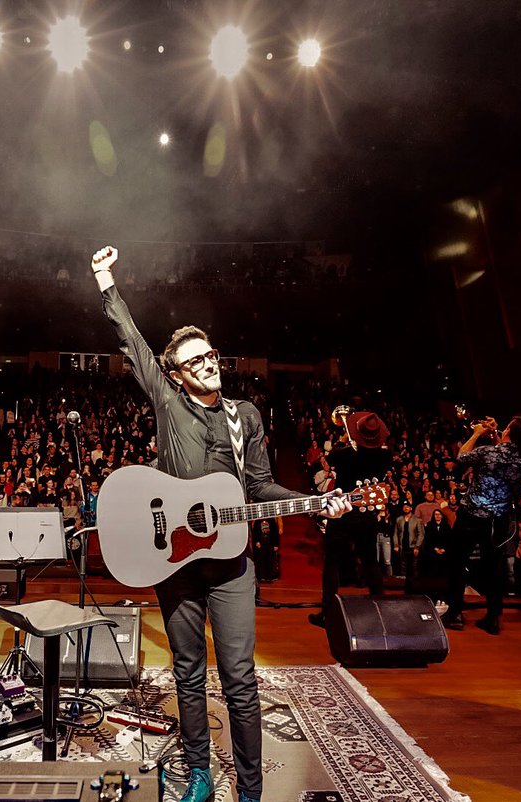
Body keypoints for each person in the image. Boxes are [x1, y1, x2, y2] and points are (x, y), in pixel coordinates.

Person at [91, 245, 350, 802]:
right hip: (174, 561)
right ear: (175, 375)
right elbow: (131, 342)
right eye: (196, 361)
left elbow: (260, 486)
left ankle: (250, 791)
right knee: (188, 673)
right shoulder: (167, 401)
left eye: (211, 355)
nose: (209, 364)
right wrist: (105, 279)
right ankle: (201, 776)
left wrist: (312, 501)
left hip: (232, 564)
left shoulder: (246, 416)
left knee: (239, 677)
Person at [441, 414, 521, 635]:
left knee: (457, 561)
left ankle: (455, 614)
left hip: (472, 514)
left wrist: (476, 434)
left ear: (509, 432)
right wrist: (495, 434)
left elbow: (462, 457)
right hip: (499, 519)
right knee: (494, 568)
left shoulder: (488, 452)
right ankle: (493, 617)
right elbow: (504, 454)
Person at [311, 411, 391, 627]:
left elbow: (327, 460)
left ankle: (328, 612)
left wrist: (345, 439)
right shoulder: (385, 456)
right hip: (367, 514)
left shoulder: (343, 453)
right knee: (370, 562)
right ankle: (380, 610)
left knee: (332, 561)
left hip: (342, 512)